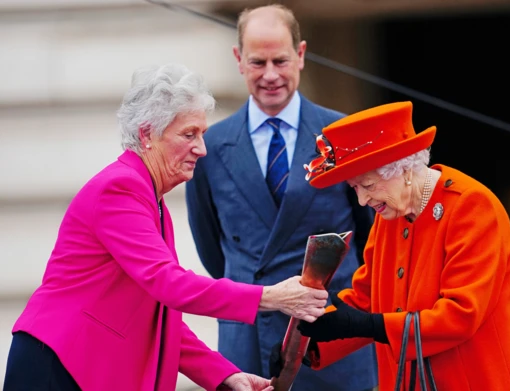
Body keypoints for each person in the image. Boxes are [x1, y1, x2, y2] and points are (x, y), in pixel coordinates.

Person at [3, 64, 330, 391]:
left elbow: (160, 313)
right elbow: (170, 285)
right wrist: (272, 297)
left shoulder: (147, 194)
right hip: (60, 365)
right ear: (147, 134)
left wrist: (223, 374)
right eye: (189, 135)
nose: (202, 149)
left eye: (202, 134)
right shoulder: (120, 189)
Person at [272, 101, 510, 390]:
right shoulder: (389, 215)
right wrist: (304, 344)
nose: (362, 200)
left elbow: (461, 314)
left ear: (404, 169)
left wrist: (371, 325)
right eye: (354, 188)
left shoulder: (471, 207)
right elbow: (366, 300)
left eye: (369, 185)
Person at [185, 4, 377, 391]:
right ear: (239, 60)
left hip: (331, 335)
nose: (270, 75)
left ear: (301, 55)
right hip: (249, 343)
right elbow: (212, 250)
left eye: (280, 60)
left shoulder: (342, 133)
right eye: (258, 62)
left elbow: (372, 235)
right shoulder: (211, 146)